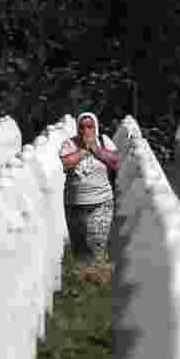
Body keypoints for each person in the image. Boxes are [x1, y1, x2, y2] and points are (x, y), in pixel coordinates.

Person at [59, 112, 120, 267]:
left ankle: (97, 278)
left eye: (89, 126)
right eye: (81, 127)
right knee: (79, 250)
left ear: (95, 127)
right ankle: (83, 283)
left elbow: (115, 162)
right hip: (74, 205)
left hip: (101, 202)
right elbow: (63, 164)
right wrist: (82, 152)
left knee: (96, 244)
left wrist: (96, 150)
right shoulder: (69, 144)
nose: (85, 130)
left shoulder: (104, 141)